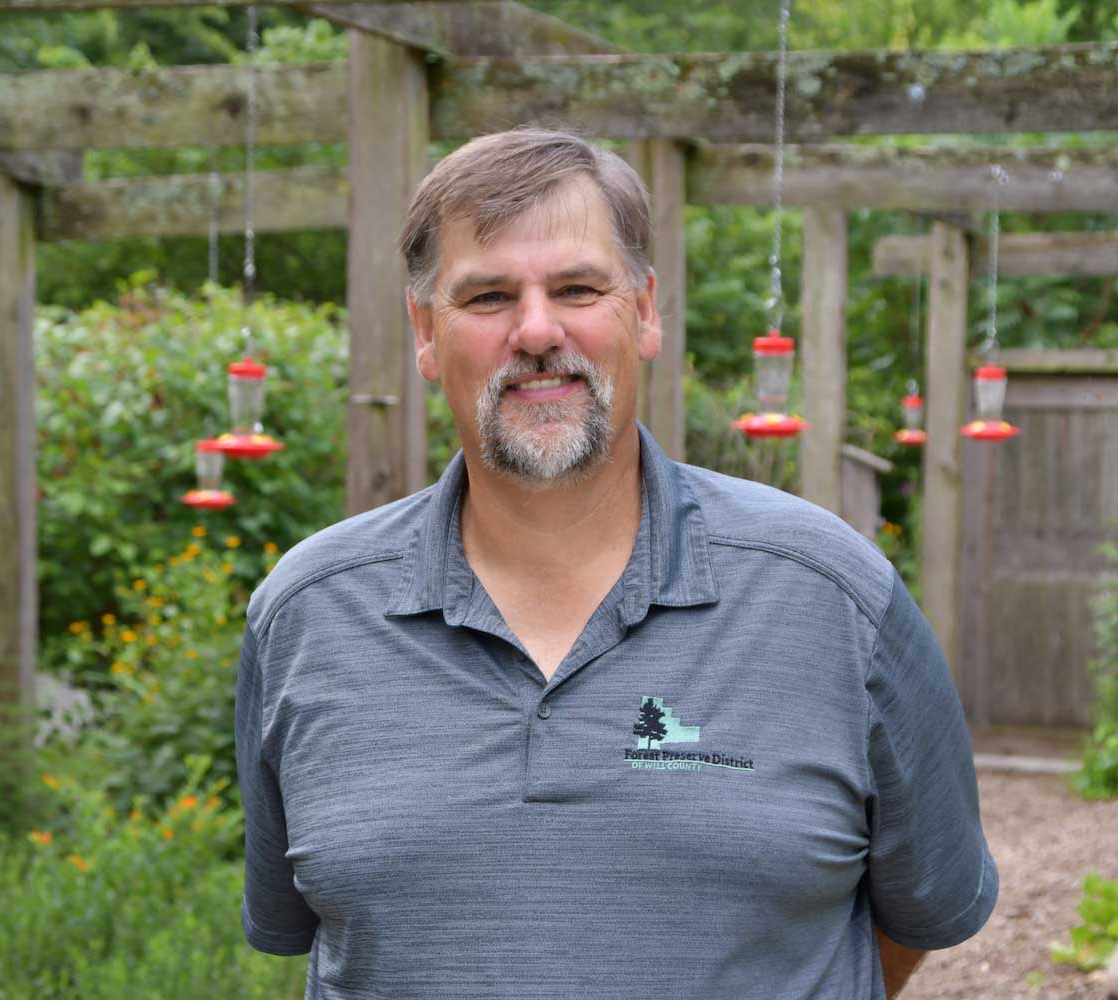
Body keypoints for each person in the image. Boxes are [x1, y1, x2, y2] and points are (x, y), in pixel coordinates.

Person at [236, 127, 997, 999]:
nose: (535, 329)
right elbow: (309, 930)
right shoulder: (304, 615)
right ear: (422, 329)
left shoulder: (834, 599)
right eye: (486, 296)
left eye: (577, 288)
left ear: (644, 309)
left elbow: (914, 921)